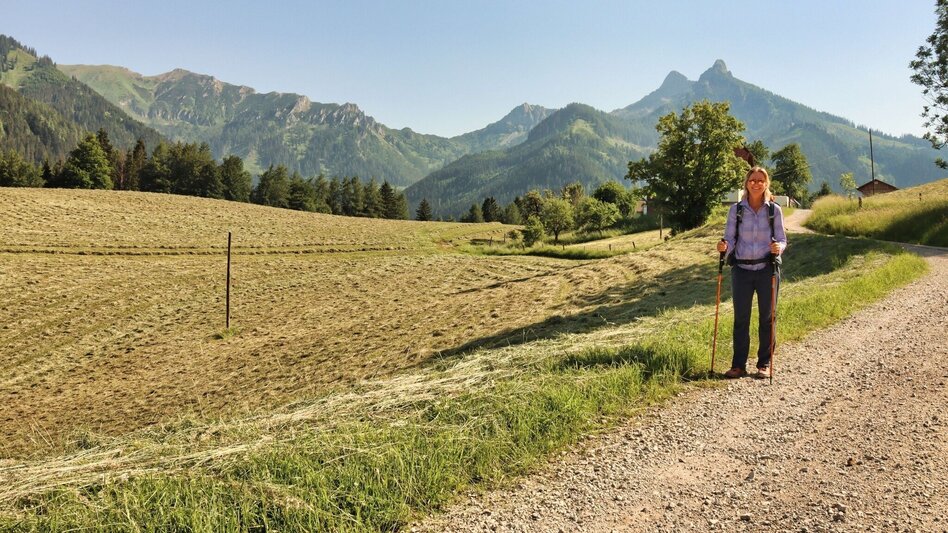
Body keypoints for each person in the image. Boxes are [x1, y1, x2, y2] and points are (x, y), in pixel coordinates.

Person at [716, 167, 788, 379]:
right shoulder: (735, 210)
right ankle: (738, 365)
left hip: (767, 269)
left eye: (760, 180)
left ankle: (764, 363)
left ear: (766, 184)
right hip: (741, 270)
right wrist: (724, 247)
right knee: (741, 319)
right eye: (752, 180)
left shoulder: (774, 210)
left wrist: (779, 248)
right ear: (746, 183)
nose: (756, 184)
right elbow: (729, 238)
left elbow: (782, 239)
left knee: (767, 317)